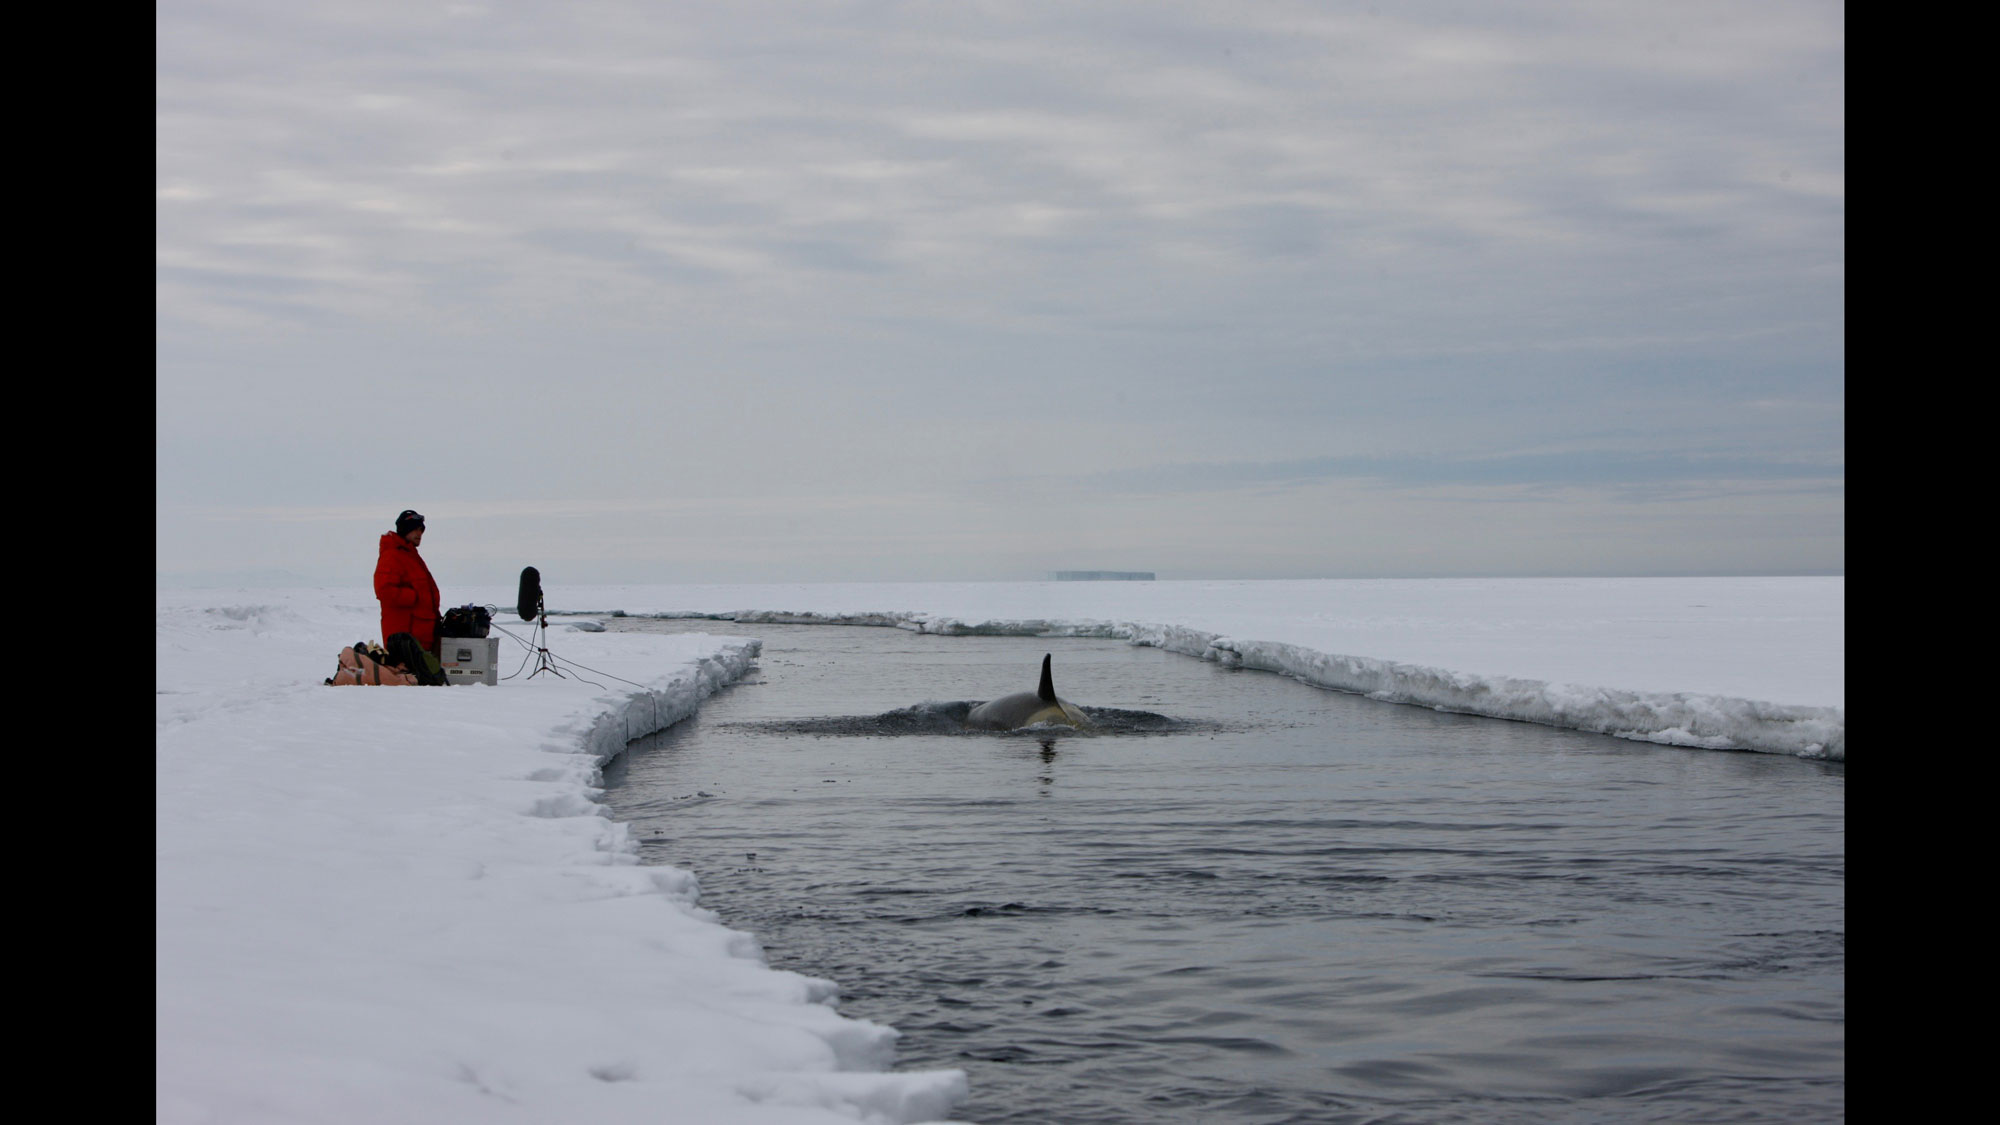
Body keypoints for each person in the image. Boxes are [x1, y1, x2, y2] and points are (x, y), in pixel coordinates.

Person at [375, 509, 442, 652]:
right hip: (404, 636)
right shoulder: (392, 555)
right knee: (408, 673)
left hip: (420, 635)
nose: (419, 534)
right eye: (415, 529)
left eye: (421, 530)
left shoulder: (410, 555)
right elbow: (384, 590)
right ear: (405, 529)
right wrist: (414, 597)